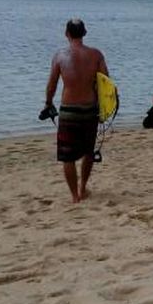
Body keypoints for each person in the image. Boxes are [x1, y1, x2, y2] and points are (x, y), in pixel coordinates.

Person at [44, 19, 108, 203]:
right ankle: (83, 187)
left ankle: (74, 196)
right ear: (84, 33)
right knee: (88, 151)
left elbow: (51, 86)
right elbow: (106, 83)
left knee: (67, 156)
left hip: (69, 112)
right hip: (90, 110)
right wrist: (104, 109)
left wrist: (48, 103)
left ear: (67, 34)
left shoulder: (59, 56)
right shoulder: (96, 55)